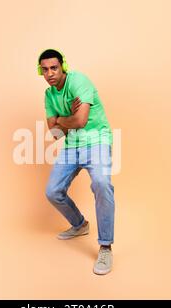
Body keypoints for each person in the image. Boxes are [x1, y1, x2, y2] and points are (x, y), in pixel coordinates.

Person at [37, 48, 115, 275]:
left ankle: (106, 246)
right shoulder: (49, 95)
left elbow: (81, 121)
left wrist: (60, 120)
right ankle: (80, 224)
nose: (50, 73)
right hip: (72, 145)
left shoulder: (78, 81)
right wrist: (64, 120)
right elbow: (56, 135)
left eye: (54, 68)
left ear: (63, 67)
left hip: (97, 140)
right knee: (53, 191)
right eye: (45, 69)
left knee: (101, 183)